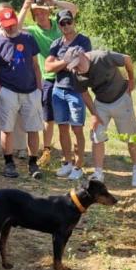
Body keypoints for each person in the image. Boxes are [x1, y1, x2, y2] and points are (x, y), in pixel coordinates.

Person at [60, 46, 136, 186]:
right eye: (73, 67)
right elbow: (84, 93)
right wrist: (94, 114)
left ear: (83, 55)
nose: (76, 69)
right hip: (101, 103)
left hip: (121, 98)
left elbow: (127, 59)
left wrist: (131, 79)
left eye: (77, 65)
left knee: (131, 137)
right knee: (97, 136)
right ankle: (98, 173)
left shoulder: (102, 57)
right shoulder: (76, 73)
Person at [22, 0, 79, 168]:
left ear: (49, 12)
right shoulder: (32, 31)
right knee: (49, 117)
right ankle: (46, 150)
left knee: (71, 117)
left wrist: (54, 1)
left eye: (43, 12)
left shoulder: (60, 24)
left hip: (69, 76)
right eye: (36, 13)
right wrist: (25, 6)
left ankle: (73, 153)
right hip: (48, 77)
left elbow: (73, 10)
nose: (40, 15)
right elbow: (15, 27)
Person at [0, 3, 44, 179]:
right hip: (9, 91)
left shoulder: (28, 38)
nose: (10, 27)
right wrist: (1, 91)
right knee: (7, 129)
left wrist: (39, 88)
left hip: (31, 90)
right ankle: (9, 163)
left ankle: (33, 163)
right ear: (0, 24)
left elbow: (36, 65)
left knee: (33, 128)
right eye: (6, 25)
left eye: (12, 23)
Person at [44, 9, 92, 180]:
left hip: (77, 90)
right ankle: (67, 163)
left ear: (73, 22)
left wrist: (60, 63)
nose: (66, 25)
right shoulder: (56, 44)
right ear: (59, 25)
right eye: (62, 23)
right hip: (58, 89)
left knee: (77, 129)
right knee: (62, 128)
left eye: (68, 22)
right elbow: (48, 67)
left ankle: (78, 166)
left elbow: (83, 65)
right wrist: (66, 61)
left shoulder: (83, 41)